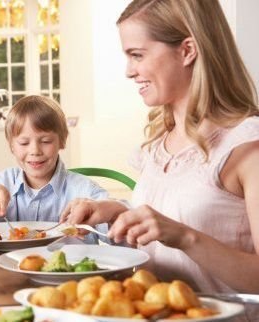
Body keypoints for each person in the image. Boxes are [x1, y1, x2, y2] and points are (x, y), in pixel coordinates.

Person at [61, 1, 259, 320]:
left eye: (137, 55)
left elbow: (181, 230)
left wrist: (184, 237)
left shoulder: (247, 145)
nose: (128, 71)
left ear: (187, 51)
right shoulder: (159, 142)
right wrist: (117, 212)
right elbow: (173, 220)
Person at [0, 95, 108, 242]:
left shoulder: (85, 191)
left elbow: (120, 236)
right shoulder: (2, 182)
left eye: (46, 141)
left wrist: (102, 211)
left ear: (62, 141)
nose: (35, 151)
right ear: (11, 146)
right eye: (24, 143)